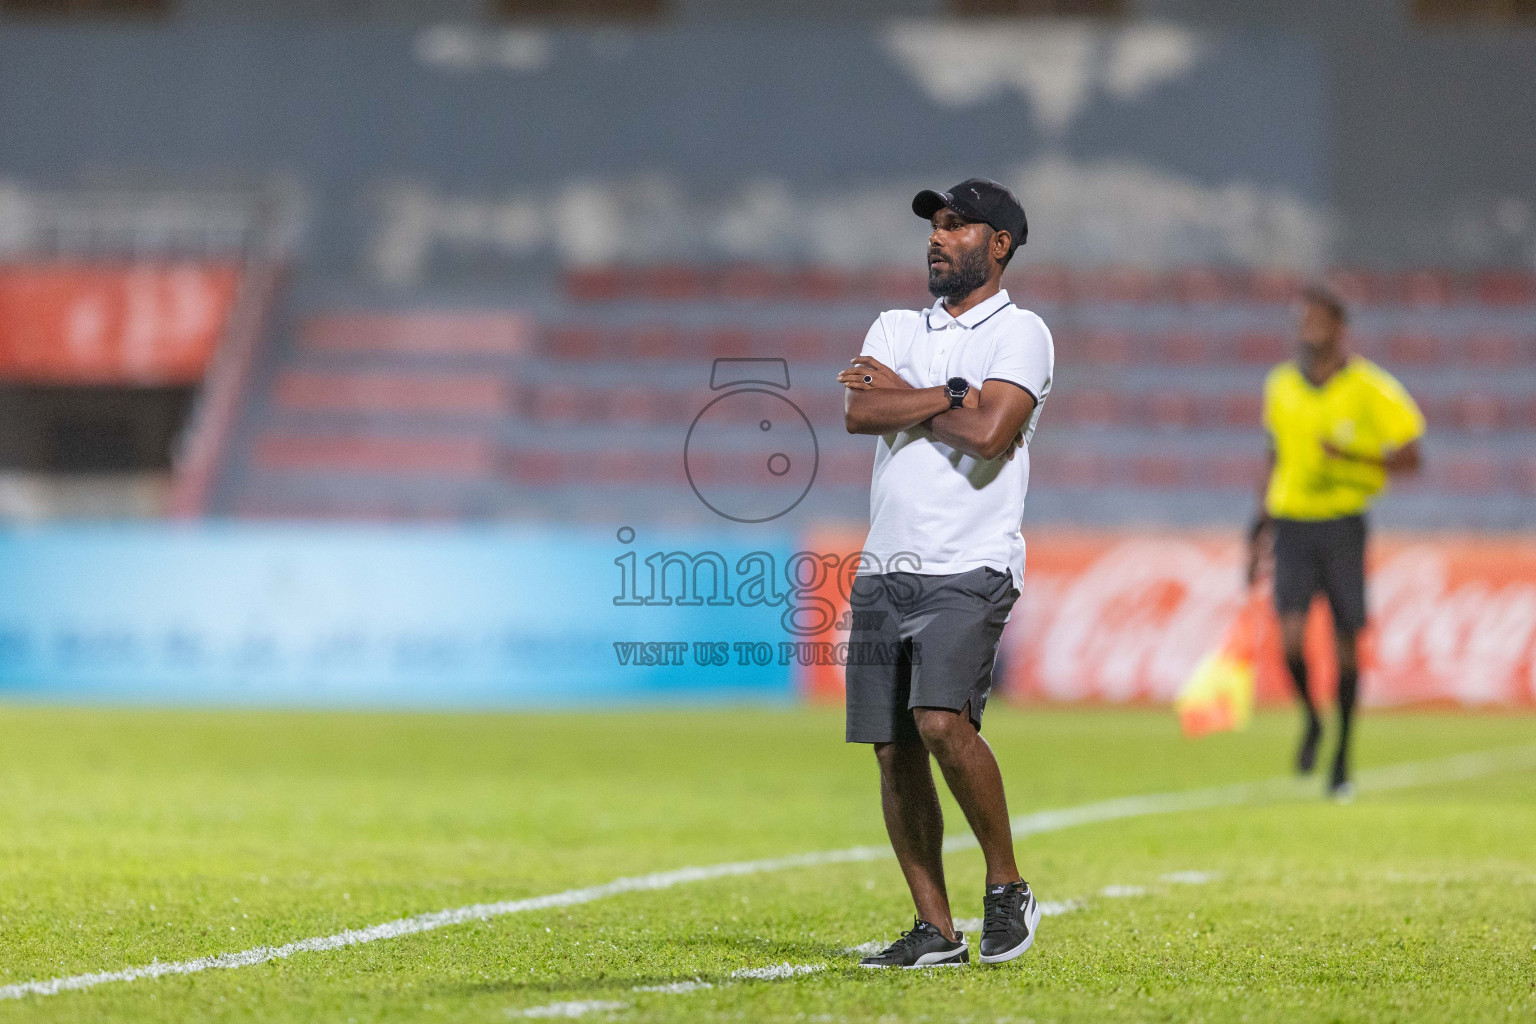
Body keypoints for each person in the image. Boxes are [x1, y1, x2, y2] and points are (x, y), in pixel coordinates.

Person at [837, 178, 1052, 968]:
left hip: (971, 560)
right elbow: (859, 410)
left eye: (956, 224)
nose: (936, 235)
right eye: (933, 224)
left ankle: (1007, 888)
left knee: (939, 722)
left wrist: (914, 397)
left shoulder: (1022, 333)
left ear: (997, 245)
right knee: (894, 747)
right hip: (884, 565)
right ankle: (937, 928)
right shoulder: (894, 324)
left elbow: (993, 433)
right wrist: (949, 396)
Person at [1246, 286, 1424, 800]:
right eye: (1304, 321)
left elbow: (1412, 457)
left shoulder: (1371, 388)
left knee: (1347, 647)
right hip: (1293, 524)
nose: (1309, 330)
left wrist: (1352, 461)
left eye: (1319, 321)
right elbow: (1274, 456)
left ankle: (1342, 755)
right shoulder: (1280, 385)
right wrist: (1256, 529)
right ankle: (1312, 720)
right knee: (1292, 640)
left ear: (1341, 329)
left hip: (1344, 525)